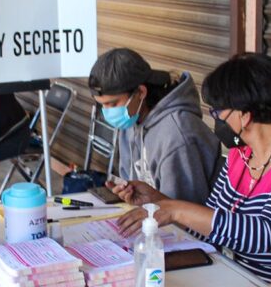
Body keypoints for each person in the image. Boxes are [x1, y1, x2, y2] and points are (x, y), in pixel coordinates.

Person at [116, 54, 271, 282]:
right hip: (243, 280)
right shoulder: (243, 153)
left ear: (244, 115)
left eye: (218, 112)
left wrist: (175, 209)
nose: (217, 120)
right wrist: (158, 201)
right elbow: (214, 228)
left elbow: (264, 235)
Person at [88, 48, 221, 202]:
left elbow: (183, 216)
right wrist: (128, 193)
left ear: (141, 92)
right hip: (152, 218)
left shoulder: (177, 135)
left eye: (113, 104)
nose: (108, 112)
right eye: (102, 105)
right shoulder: (131, 120)